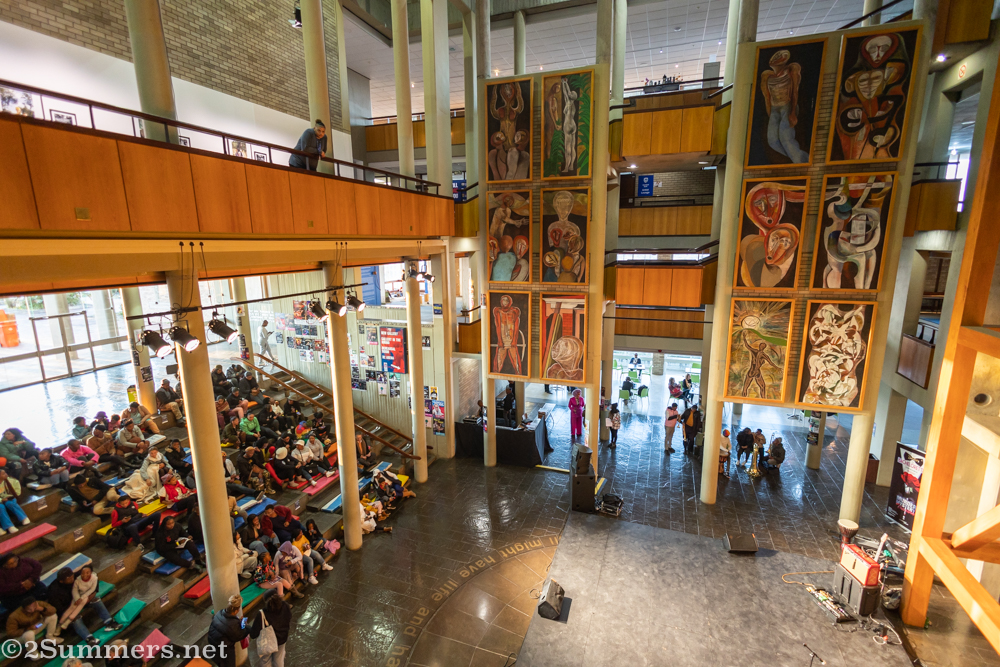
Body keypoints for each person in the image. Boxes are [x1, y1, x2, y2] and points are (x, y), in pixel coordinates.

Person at [250, 589, 292, 667]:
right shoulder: (285, 605)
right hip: (282, 639)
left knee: (266, 661)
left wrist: (247, 627)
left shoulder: (262, 613)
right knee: (279, 660)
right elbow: (289, 618)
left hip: (267, 642)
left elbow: (253, 634)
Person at [206, 594, 250, 667]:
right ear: (236, 610)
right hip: (225, 651)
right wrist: (246, 625)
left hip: (213, 646)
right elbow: (239, 635)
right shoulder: (232, 624)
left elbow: (226, 626)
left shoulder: (220, 613)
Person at [0, 470, 30, 535]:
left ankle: (23, 517)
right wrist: (1, 500)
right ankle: (9, 526)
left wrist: (8, 497)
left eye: (5, 472)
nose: (5, 474)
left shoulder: (12, 480)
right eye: (3, 474)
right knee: (1, 507)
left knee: (10, 503)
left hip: (10, 498)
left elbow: (17, 491)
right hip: (0, 501)